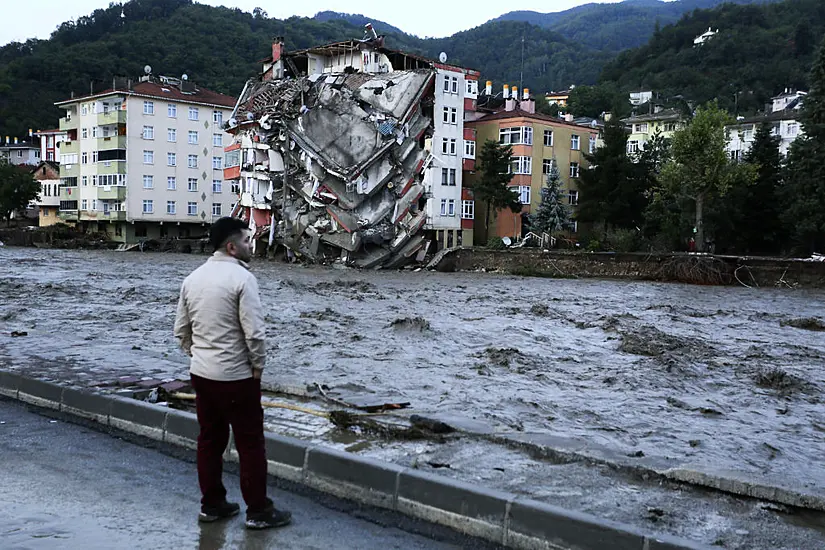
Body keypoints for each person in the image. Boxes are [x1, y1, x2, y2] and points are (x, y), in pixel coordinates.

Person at [174, 217, 291, 530]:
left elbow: (181, 331)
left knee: (209, 440)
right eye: (246, 241)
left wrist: (199, 356)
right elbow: (254, 333)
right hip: (236, 377)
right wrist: (257, 366)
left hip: (202, 373)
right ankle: (258, 511)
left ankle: (212, 505)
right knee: (250, 443)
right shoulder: (242, 279)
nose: (250, 245)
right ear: (231, 246)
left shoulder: (192, 279)